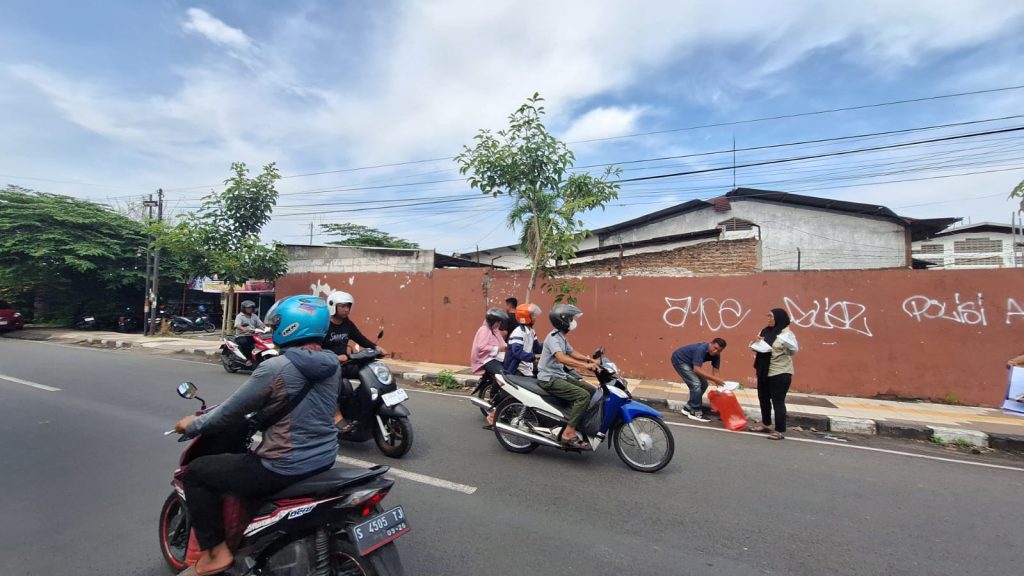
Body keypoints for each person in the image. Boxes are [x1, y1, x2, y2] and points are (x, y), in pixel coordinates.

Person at [173, 295, 339, 576]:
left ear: (291, 326)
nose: (273, 329)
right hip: (324, 458)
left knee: (197, 473)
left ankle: (216, 554)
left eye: (277, 323)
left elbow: (229, 412)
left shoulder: (275, 368)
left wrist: (190, 425)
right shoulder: (332, 363)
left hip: (283, 466)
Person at [536, 304, 600, 449]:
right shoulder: (553, 338)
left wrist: (589, 360)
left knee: (592, 391)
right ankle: (568, 432)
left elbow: (571, 352)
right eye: (571, 318)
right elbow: (562, 358)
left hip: (559, 375)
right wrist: (584, 366)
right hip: (549, 379)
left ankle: (575, 419)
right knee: (583, 396)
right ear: (563, 321)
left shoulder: (561, 337)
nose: (573, 321)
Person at [323, 291, 387, 433]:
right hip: (329, 365)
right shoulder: (324, 325)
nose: (346, 309)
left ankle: (363, 404)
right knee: (335, 377)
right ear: (333, 306)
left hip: (346, 363)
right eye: (343, 306)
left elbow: (360, 338)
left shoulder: (347, 324)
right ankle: (336, 414)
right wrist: (334, 358)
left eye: (348, 306)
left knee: (369, 370)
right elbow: (316, 348)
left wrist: (376, 348)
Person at [749, 308, 799, 440]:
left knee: (778, 401)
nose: (769, 319)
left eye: (771, 317)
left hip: (780, 371)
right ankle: (766, 424)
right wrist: (755, 341)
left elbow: (793, 351)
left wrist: (786, 347)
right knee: (763, 398)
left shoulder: (786, 334)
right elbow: (755, 346)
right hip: (763, 370)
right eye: (768, 316)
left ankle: (779, 430)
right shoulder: (764, 331)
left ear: (779, 318)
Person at [670, 338, 728, 422]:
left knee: (704, 384)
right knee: (696, 384)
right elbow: (697, 369)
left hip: (690, 363)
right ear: (711, 343)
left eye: (719, 350)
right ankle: (695, 411)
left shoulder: (716, 355)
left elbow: (716, 371)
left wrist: (720, 387)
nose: (715, 351)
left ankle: (688, 407)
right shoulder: (701, 349)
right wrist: (715, 379)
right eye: (715, 348)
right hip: (680, 359)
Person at [472, 307, 508, 429]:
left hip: (497, 357)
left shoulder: (495, 330)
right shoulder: (484, 330)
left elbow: (502, 343)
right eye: (498, 321)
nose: (499, 324)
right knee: (502, 375)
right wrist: (497, 349)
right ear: (493, 321)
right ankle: (493, 395)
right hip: (486, 359)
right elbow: (481, 347)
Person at [504, 303, 543, 377]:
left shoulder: (531, 331)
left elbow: (537, 348)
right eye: (533, 315)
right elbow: (517, 352)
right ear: (525, 318)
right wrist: (534, 356)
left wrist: (548, 347)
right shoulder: (519, 332)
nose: (535, 317)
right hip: (517, 369)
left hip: (527, 367)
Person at [233, 300, 265, 365]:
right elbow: (237, 325)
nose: (250, 309)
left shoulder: (254, 316)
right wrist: (243, 328)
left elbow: (260, 324)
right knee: (246, 343)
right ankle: (248, 359)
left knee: (262, 343)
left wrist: (266, 328)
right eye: (248, 308)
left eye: (251, 308)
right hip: (242, 335)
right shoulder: (240, 316)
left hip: (254, 335)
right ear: (243, 308)